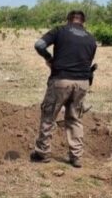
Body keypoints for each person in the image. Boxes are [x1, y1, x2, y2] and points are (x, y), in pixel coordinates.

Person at [31, 10, 97, 168]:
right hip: (82, 83)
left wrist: (49, 59)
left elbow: (39, 45)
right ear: (83, 22)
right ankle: (76, 157)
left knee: (49, 115)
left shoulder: (60, 30)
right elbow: (87, 63)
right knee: (75, 119)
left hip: (61, 81)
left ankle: (43, 153)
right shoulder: (91, 39)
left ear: (68, 20)